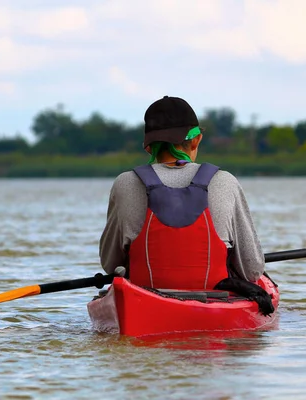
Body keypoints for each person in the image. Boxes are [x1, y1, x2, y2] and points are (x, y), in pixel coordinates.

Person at [99, 95, 274, 315]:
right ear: (196, 140)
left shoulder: (125, 183)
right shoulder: (225, 181)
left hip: (144, 306)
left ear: (148, 147)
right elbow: (252, 269)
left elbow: (109, 263)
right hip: (214, 305)